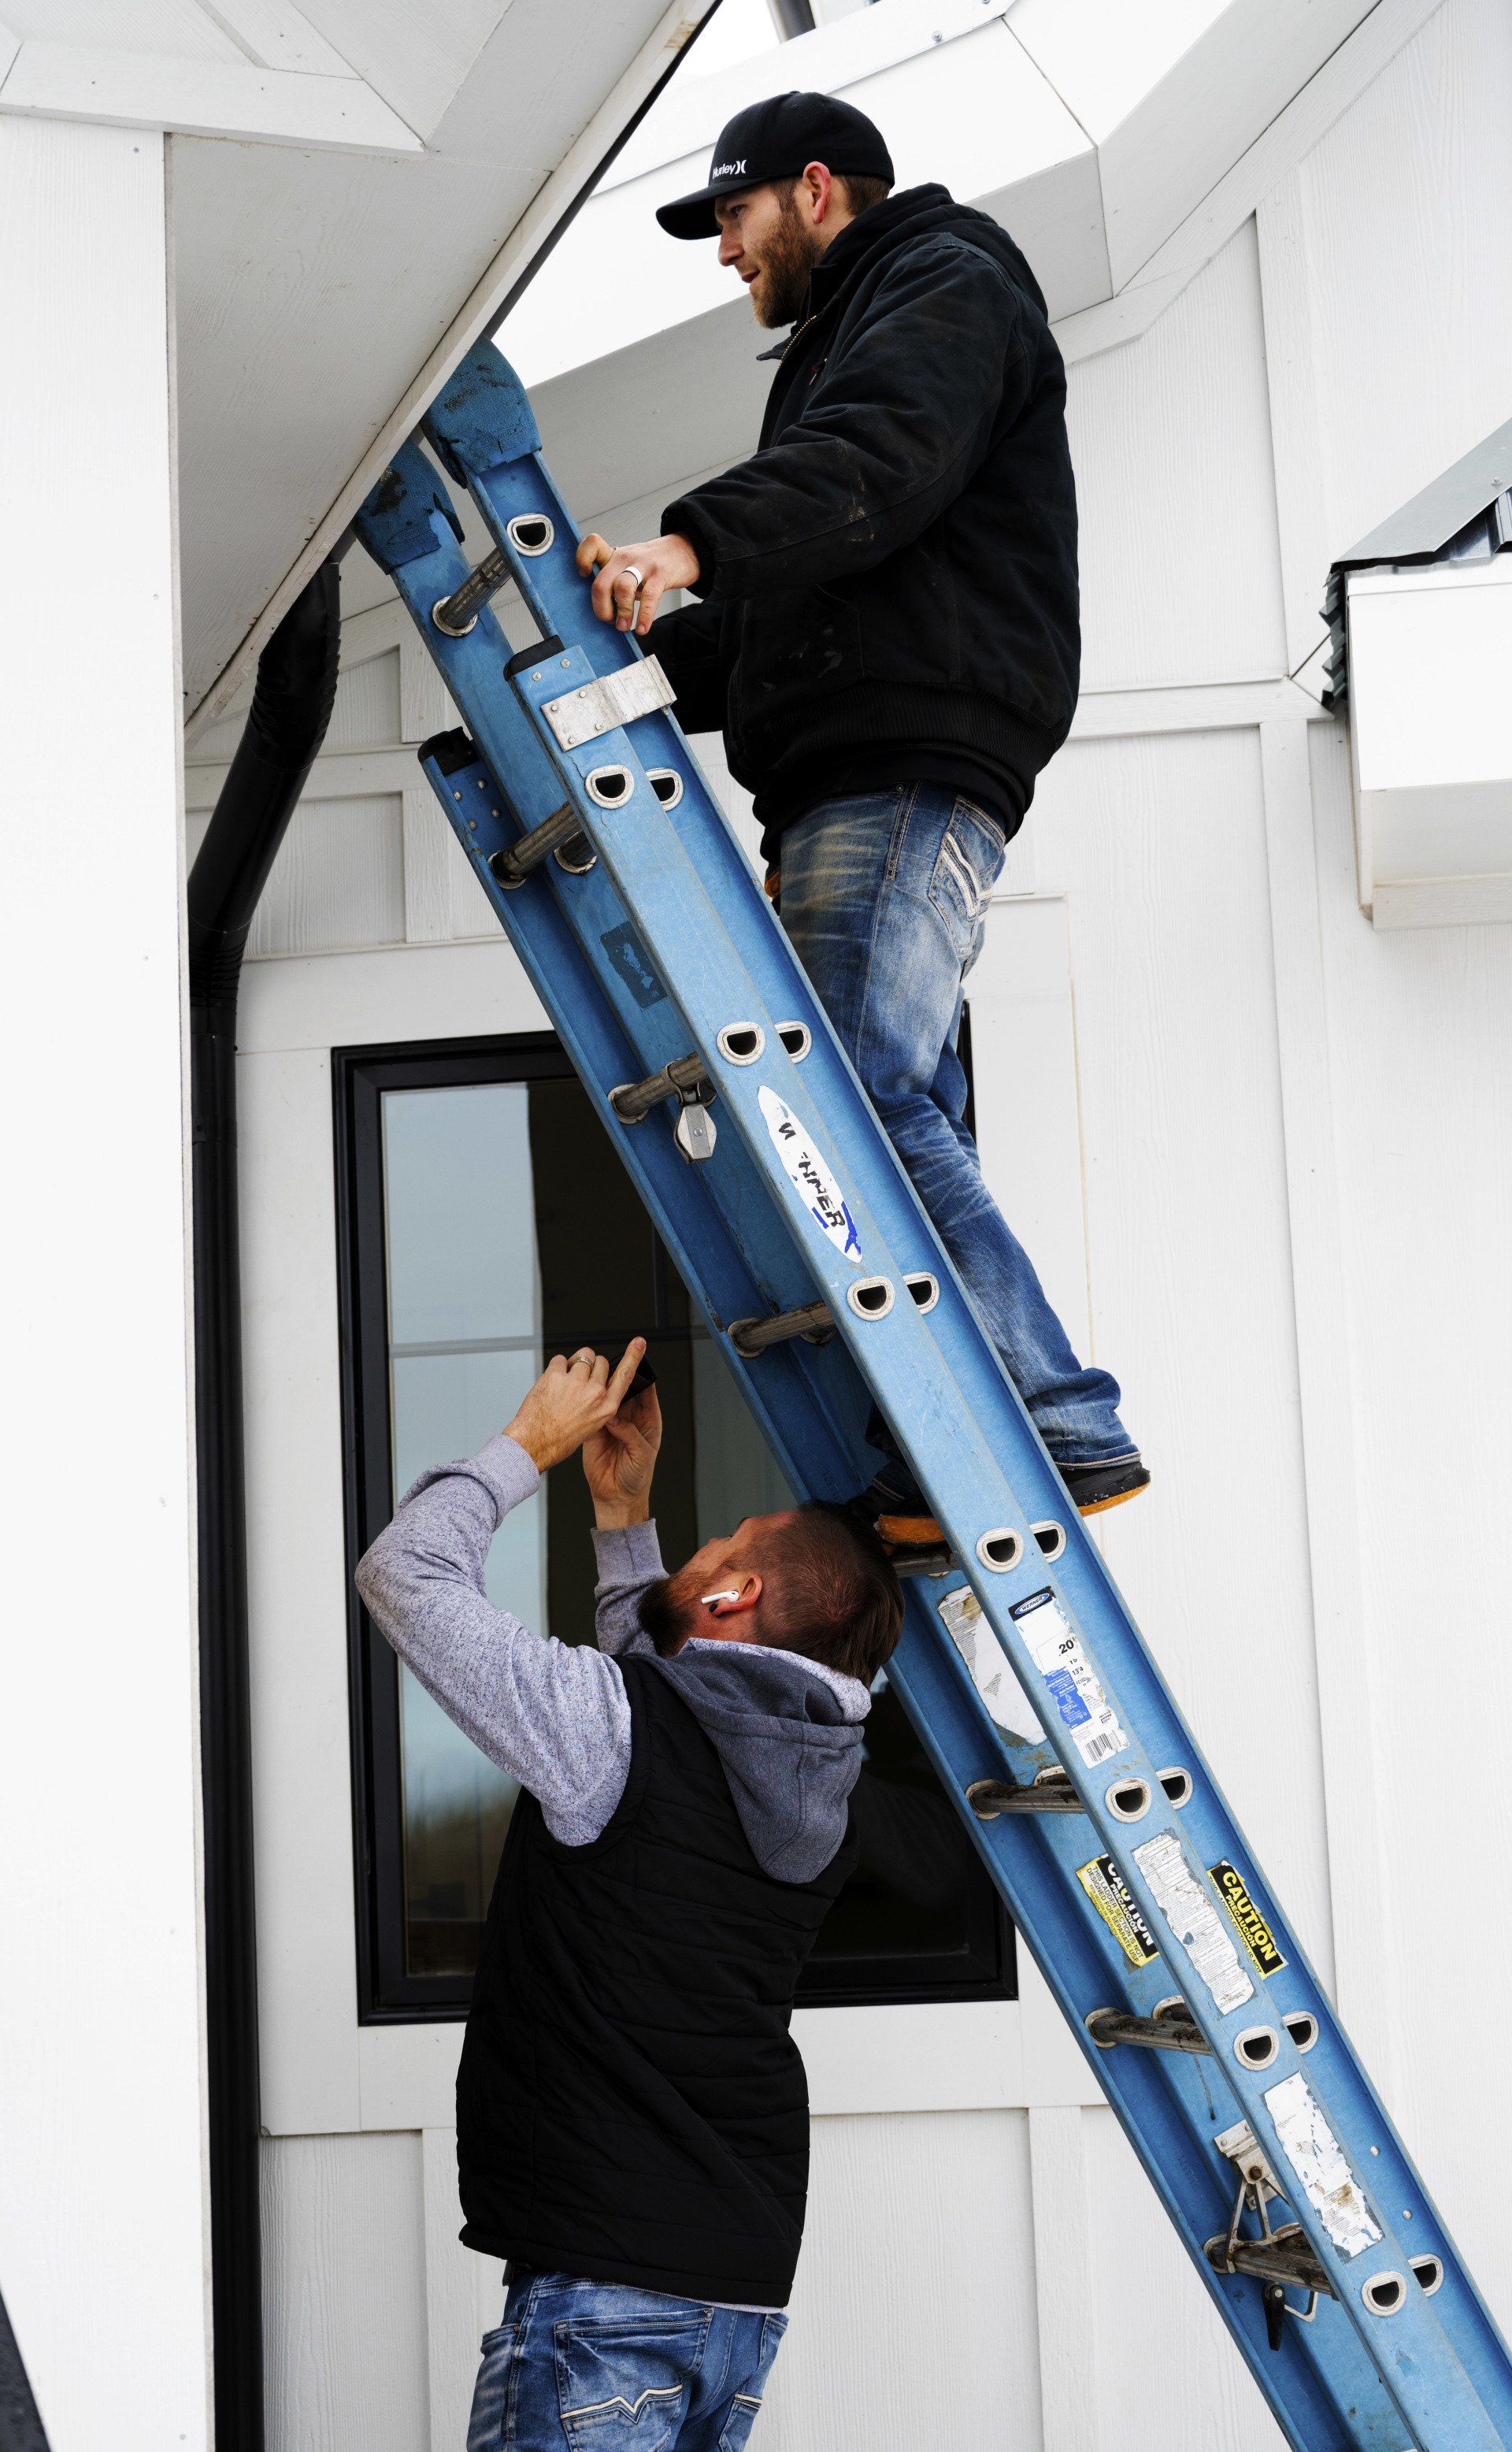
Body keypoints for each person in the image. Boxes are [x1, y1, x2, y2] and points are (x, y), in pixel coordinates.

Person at [575, 91, 1150, 1558]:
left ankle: (1055, 1419)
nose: (725, 255)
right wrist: (624, 654)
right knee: (899, 1107)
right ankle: (943, 1432)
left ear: (813, 189)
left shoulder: (946, 284)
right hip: (862, 761)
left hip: (905, 768)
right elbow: (794, 614)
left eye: (733, 218)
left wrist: (691, 540)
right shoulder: (853, 335)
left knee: (854, 1099)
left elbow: (877, 462)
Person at [356, 1337, 968, 2446]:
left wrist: (524, 1447)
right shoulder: (821, 1782)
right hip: (731, 2287)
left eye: (715, 1545)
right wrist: (624, 1519)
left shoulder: (621, 1734)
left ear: (733, 1592)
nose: (702, 1550)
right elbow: (678, 1706)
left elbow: (406, 1573)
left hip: (605, 2292)